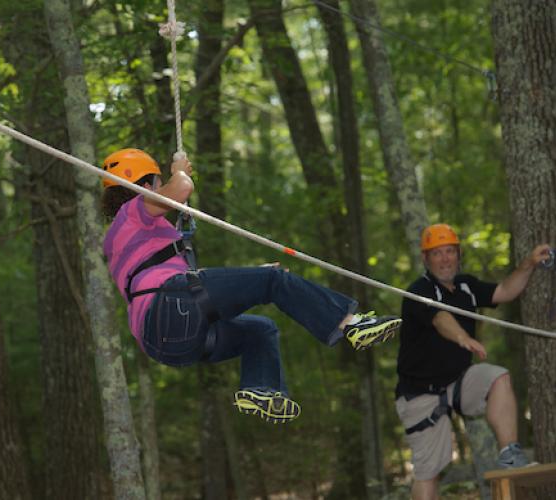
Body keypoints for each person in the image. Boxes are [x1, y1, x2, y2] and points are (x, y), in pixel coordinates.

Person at [102, 148, 402, 423]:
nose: (158, 189)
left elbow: (180, 283)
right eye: (155, 183)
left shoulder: (126, 237)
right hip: (172, 305)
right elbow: (181, 189)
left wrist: (251, 277)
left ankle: (261, 388)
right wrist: (178, 169)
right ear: (143, 185)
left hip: (166, 339)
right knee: (274, 281)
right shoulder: (133, 212)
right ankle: (349, 324)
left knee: (261, 329)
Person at [395, 223, 551, 499]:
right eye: (437, 253)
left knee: (498, 377)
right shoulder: (419, 290)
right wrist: (461, 337)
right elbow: (440, 318)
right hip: (420, 394)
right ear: (425, 259)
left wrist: (528, 264)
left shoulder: (466, 285)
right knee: (429, 471)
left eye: (450, 252)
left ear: (458, 254)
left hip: (457, 382)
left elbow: (503, 291)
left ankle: (510, 455)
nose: (445, 259)